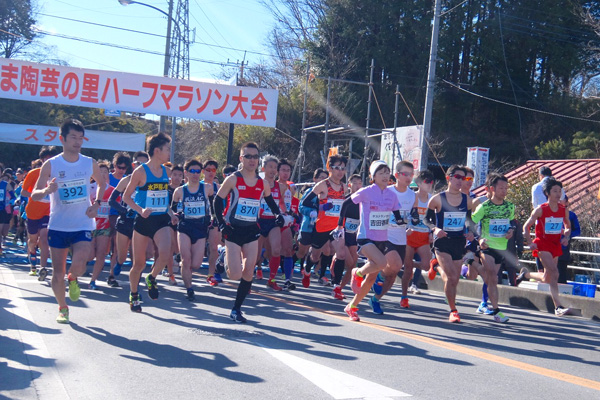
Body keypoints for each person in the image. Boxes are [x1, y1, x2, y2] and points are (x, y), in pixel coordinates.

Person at [31, 118, 106, 324]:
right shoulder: (51, 164)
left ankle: (73, 278)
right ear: (62, 138)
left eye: (81, 138)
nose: (77, 141)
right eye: (73, 137)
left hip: (82, 223)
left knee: (81, 261)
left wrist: (97, 203)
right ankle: (63, 308)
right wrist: (47, 190)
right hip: (58, 225)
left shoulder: (88, 162)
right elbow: (35, 194)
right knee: (57, 273)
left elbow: (102, 183)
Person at [213, 142, 285, 323]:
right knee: (235, 275)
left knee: (249, 271)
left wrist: (278, 214)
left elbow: (270, 201)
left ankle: (236, 309)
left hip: (252, 230)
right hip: (233, 229)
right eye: (248, 156)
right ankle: (223, 257)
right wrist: (221, 224)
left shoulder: (263, 183)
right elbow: (217, 201)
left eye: (255, 157)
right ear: (241, 159)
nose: (252, 160)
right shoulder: (233, 179)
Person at [336, 160, 404, 321]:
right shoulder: (366, 191)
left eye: (387, 173)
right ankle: (357, 272)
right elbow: (346, 203)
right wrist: (340, 224)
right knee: (381, 263)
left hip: (382, 239)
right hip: (365, 238)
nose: (385, 176)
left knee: (372, 277)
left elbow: (396, 211)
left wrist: (401, 221)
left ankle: (352, 306)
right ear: (373, 176)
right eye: (381, 173)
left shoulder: (391, 194)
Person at [123, 133, 179, 313]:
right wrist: (140, 210)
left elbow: (164, 198)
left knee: (165, 253)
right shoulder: (140, 172)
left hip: (161, 219)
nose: (169, 153)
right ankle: (133, 294)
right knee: (138, 264)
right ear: (157, 151)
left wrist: (171, 213)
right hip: (143, 220)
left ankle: (152, 277)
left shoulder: (166, 172)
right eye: (167, 149)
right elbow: (126, 197)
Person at [424, 165, 476, 323]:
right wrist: (435, 229)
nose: (462, 181)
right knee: (452, 276)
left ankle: (435, 266)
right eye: (458, 177)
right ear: (449, 178)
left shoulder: (467, 200)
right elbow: (426, 219)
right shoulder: (437, 198)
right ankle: (453, 311)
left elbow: (469, 220)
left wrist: (470, 231)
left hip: (459, 242)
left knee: (454, 279)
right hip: (443, 242)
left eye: (465, 178)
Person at [369, 160, 415, 314]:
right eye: (405, 174)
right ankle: (379, 277)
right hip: (384, 235)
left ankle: (375, 299)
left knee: (393, 275)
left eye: (411, 174)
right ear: (396, 175)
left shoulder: (412, 195)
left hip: (401, 237)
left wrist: (411, 224)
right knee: (394, 265)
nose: (409, 177)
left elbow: (412, 215)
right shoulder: (387, 191)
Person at [521, 177, 572, 316]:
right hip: (542, 244)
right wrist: (530, 242)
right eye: (554, 191)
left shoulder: (563, 210)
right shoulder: (540, 210)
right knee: (555, 273)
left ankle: (525, 274)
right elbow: (526, 227)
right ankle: (558, 307)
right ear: (547, 193)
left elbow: (568, 225)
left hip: (555, 244)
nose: (558, 194)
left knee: (547, 278)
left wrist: (566, 236)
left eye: (559, 191)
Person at [471, 173, 514, 323]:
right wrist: (479, 238)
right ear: (492, 189)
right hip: (487, 246)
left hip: (501, 248)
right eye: (501, 188)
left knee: (490, 279)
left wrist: (511, 231)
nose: (504, 190)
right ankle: (497, 311)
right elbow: (471, 222)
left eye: (506, 188)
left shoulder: (510, 206)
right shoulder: (484, 207)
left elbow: (511, 222)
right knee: (493, 278)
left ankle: (470, 262)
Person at [301, 155, 349, 287]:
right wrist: (320, 207)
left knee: (341, 254)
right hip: (322, 226)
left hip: (337, 227)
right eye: (337, 168)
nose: (340, 171)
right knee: (315, 256)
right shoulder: (322, 185)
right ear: (330, 168)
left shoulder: (345, 187)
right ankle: (307, 270)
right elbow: (305, 202)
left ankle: (337, 287)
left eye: (343, 169)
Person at [171, 159, 213, 301]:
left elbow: (213, 206)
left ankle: (182, 263)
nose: (195, 174)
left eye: (198, 171)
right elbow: (173, 210)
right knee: (186, 259)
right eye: (192, 171)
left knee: (196, 264)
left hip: (200, 227)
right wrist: (175, 217)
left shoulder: (207, 188)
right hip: (185, 227)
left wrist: (213, 218)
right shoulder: (179, 191)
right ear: (186, 173)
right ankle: (189, 288)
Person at [21, 148, 59, 279]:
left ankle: (43, 268)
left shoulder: (58, 174)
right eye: (46, 159)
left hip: (48, 213)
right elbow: (23, 192)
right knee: (33, 240)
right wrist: (39, 194)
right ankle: (32, 261)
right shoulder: (34, 173)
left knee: (44, 239)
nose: (48, 161)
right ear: (42, 160)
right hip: (32, 212)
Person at [403, 170, 435, 299]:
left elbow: (433, 219)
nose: (429, 185)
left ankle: (407, 264)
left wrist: (432, 231)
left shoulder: (432, 199)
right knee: (407, 271)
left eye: (431, 182)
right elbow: (404, 215)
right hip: (410, 235)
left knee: (426, 265)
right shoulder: (411, 197)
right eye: (427, 182)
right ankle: (404, 296)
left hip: (423, 236)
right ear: (419, 183)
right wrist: (405, 228)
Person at [296, 168, 329, 287]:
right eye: (321, 177)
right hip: (308, 226)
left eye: (326, 178)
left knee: (325, 251)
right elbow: (301, 207)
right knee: (302, 252)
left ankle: (320, 275)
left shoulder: (329, 193)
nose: (323, 180)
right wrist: (311, 212)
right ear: (315, 179)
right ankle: (289, 267)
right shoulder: (310, 192)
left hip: (323, 228)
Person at [88, 161, 115, 290]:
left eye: (105, 172)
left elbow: (116, 209)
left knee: (101, 254)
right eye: (100, 172)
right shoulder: (90, 188)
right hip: (90, 226)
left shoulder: (112, 191)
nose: (103, 174)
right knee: (88, 254)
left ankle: (93, 280)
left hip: (105, 227)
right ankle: (74, 275)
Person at [557, 196, 580, 283]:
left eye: (561, 200)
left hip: (564, 248)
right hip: (550, 247)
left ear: (567, 202)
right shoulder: (550, 213)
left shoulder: (571, 215)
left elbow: (577, 230)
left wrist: (567, 236)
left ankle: (562, 294)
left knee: (561, 273)